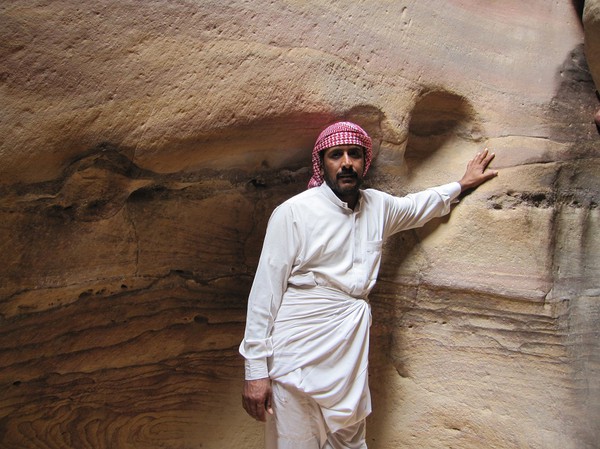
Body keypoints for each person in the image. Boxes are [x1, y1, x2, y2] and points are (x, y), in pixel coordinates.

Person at [239, 121, 498, 449]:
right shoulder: (293, 213)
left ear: (365, 162)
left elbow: (418, 206)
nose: (346, 162)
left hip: (349, 356)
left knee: (349, 442)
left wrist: (461, 184)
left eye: (354, 154)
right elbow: (264, 293)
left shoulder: (378, 206)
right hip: (296, 354)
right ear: (323, 163)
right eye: (336, 155)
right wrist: (255, 371)